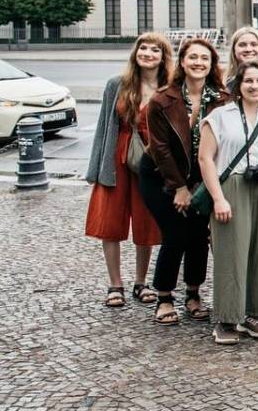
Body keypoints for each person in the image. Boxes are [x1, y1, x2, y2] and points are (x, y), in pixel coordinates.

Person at [140, 38, 228, 326]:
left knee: (198, 234)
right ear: (182, 62)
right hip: (161, 177)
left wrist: (200, 186)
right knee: (175, 233)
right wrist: (178, 187)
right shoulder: (162, 100)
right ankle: (164, 296)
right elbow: (160, 148)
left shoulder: (221, 100)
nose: (198, 62)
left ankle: (193, 292)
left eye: (205, 58)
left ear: (212, 64)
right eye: (193, 57)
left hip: (201, 177)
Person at [85, 33, 171, 310]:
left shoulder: (168, 87)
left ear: (163, 56)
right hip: (116, 159)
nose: (147, 53)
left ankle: (140, 282)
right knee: (110, 221)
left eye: (154, 49)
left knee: (146, 222)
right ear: (135, 53)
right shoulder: (117, 85)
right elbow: (103, 128)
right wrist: (95, 169)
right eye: (143, 48)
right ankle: (115, 284)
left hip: (151, 162)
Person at [196, 61, 258, 344]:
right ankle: (227, 317)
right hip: (232, 186)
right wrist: (218, 198)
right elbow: (205, 158)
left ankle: (252, 312)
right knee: (231, 253)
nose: (255, 85)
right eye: (248, 81)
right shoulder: (220, 116)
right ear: (238, 86)